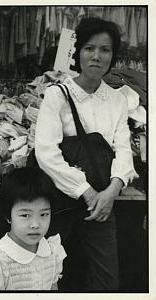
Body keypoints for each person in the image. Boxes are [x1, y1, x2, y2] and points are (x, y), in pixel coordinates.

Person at [35, 17, 138, 291]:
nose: (96, 56)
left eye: (105, 50)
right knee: (48, 275)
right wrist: (86, 191)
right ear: (77, 52)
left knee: (107, 280)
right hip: (61, 200)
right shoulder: (57, 94)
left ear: (112, 56)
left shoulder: (117, 99)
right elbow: (46, 152)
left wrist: (110, 192)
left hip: (103, 202)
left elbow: (123, 149)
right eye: (89, 48)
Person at [0, 167, 67, 290]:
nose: (35, 224)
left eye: (43, 214)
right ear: (8, 216)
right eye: (25, 215)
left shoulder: (53, 251)